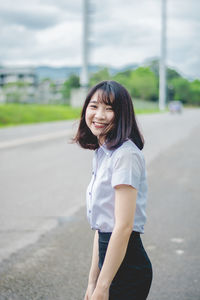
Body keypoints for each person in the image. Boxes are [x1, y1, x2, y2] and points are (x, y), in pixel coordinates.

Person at [73, 80, 153, 300]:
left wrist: (102, 286)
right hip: (109, 261)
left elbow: (124, 227)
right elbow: (102, 227)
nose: (99, 115)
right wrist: (92, 282)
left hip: (127, 270)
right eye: (94, 106)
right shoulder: (102, 153)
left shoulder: (125, 155)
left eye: (109, 109)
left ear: (122, 115)